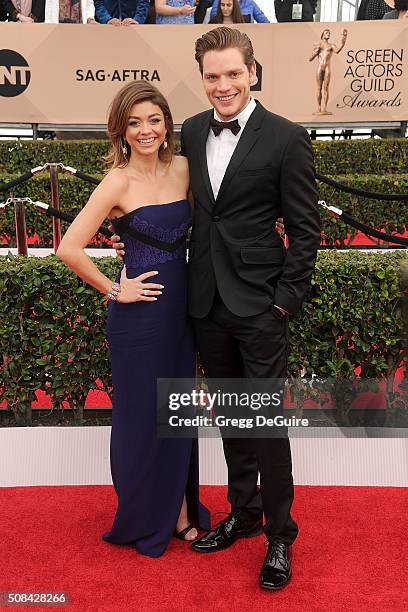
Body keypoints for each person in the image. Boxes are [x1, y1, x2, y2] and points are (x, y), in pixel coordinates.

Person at [112, 26, 320, 590]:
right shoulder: (195, 131)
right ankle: (244, 511)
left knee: (265, 424)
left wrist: (284, 301)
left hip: (259, 307)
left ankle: (280, 535)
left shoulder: (286, 137)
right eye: (212, 76)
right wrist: (126, 238)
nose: (222, 85)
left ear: (252, 72)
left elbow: (306, 231)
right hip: (203, 304)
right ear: (201, 79)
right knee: (230, 418)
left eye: (233, 73)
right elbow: (173, 206)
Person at [56, 80, 210, 557]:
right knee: (143, 418)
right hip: (138, 321)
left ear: (167, 125)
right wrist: (115, 289)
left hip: (181, 315)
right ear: (121, 131)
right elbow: (68, 249)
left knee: (177, 414)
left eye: (154, 120)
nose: (145, 130)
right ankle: (153, 515)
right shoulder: (117, 181)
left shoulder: (185, 168)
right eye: (134, 122)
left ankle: (181, 507)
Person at [309, 28, 348, 116]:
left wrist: (343, 42)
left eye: (329, 33)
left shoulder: (331, 45)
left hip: (327, 68)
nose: (328, 34)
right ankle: (318, 108)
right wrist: (315, 52)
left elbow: (337, 51)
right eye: (326, 33)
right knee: (319, 88)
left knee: (326, 88)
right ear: (323, 34)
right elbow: (310, 59)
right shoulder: (318, 45)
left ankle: (325, 108)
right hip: (320, 68)